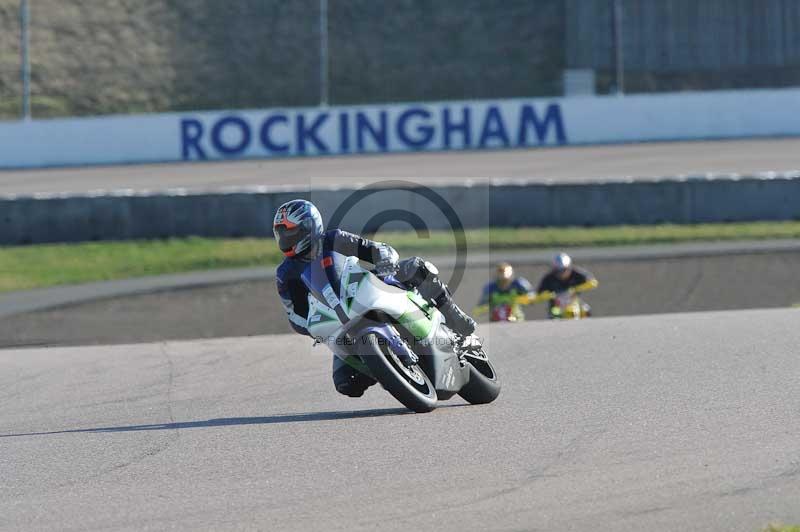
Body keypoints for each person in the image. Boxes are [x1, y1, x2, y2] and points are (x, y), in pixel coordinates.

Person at [273, 199, 476, 398]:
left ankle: (454, 316)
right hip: (340, 319)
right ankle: (385, 368)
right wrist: (310, 326)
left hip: (365, 287)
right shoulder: (285, 273)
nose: (285, 238)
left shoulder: (333, 239)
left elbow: (374, 248)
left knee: (415, 267)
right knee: (347, 384)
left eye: (290, 231)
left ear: (309, 227)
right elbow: (294, 314)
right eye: (281, 233)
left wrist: (384, 259)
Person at [536, 253, 598, 317]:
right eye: (558, 271)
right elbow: (539, 293)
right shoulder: (549, 278)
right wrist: (549, 295)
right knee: (554, 315)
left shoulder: (576, 273)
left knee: (586, 311)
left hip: (574, 302)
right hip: (556, 306)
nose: (561, 273)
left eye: (564, 270)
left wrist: (576, 289)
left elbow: (592, 282)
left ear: (569, 267)